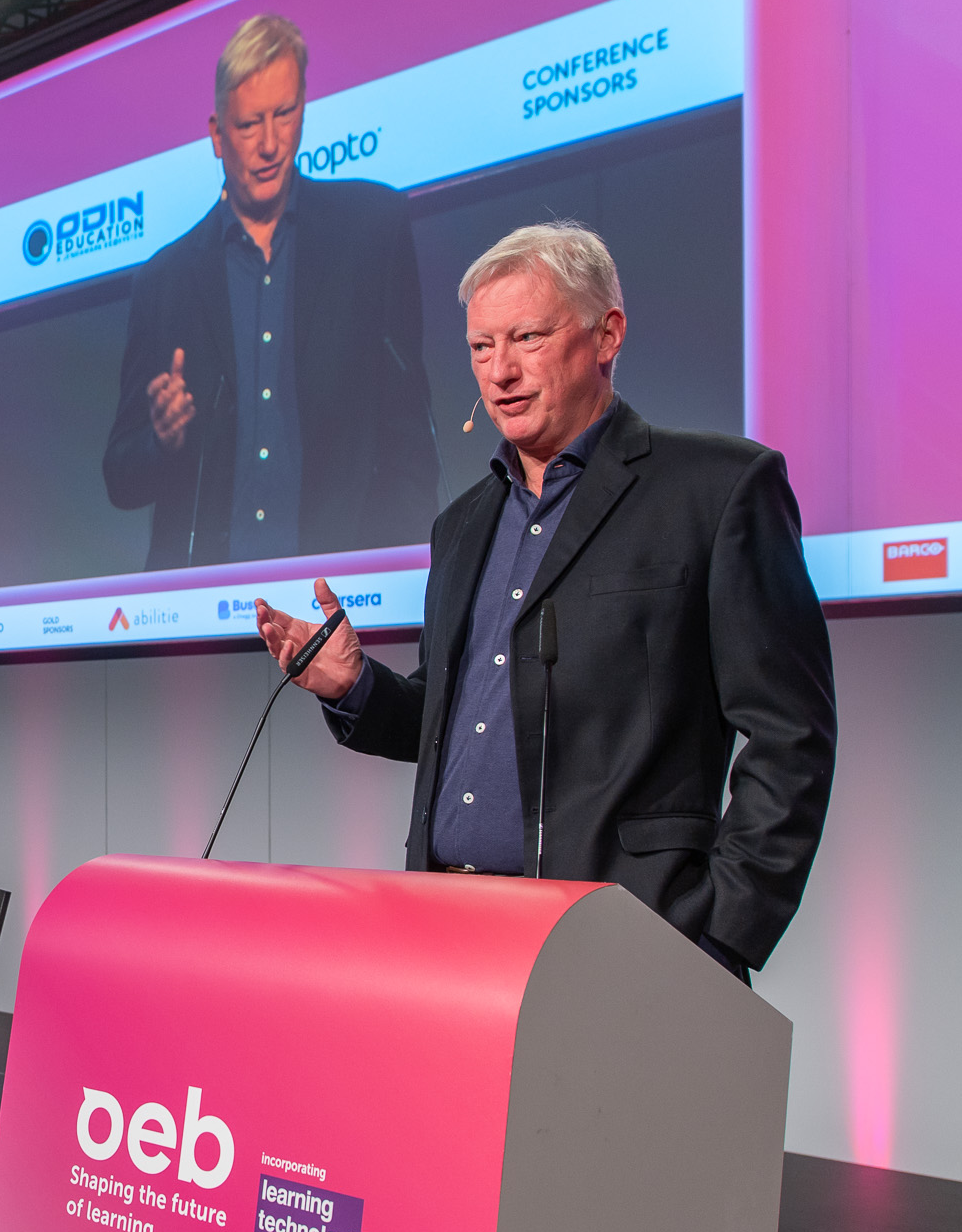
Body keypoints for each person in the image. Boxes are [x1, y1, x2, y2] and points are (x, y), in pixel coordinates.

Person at [254, 222, 836, 983]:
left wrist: (721, 935)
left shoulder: (717, 490)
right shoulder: (461, 525)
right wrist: (355, 687)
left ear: (607, 334)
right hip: (447, 935)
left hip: (631, 945)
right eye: (481, 346)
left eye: (527, 337)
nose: (500, 371)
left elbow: (791, 736)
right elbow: (462, 724)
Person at [103, 13, 438, 571]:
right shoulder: (164, 280)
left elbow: (409, 434)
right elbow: (121, 478)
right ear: (217, 135)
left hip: (339, 594)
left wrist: (404, 573)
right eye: (248, 124)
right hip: (205, 604)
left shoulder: (371, 230)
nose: (269, 144)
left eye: (284, 115)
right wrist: (161, 439)